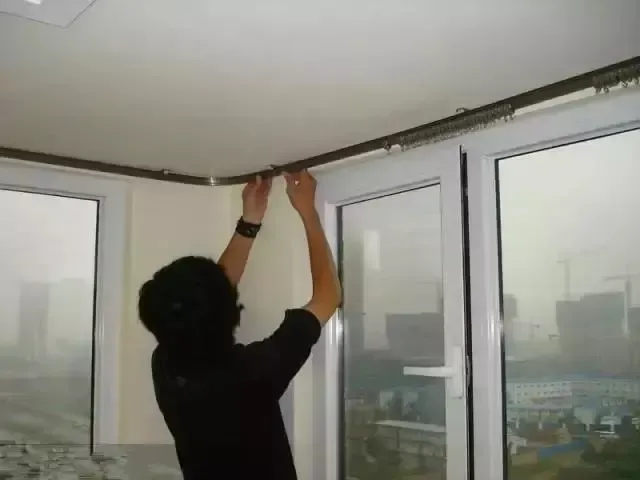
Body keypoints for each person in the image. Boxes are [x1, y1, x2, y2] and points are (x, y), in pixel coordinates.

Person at [137, 170, 341, 479]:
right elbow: (328, 296)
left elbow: (207, 297)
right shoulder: (250, 375)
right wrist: (308, 211)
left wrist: (250, 221)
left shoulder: (167, 363)